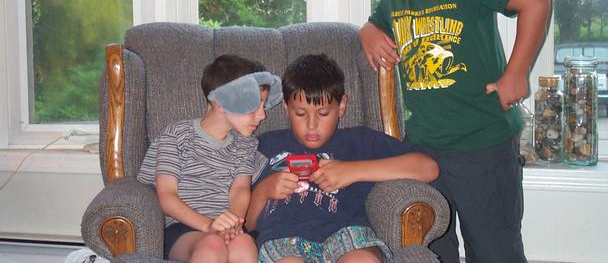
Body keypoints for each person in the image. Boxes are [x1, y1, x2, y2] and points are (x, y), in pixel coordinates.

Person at [357, 0, 552, 263]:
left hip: (483, 144)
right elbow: (375, 23)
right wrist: (367, 32)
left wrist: (516, 73)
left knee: (494, 251)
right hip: (425, 149)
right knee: (434, 250)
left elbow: (536, 2)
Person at [246, 53, 439, 263]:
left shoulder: (358, 141)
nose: (311, 125)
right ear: (286, 108)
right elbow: (248, 224)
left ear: (341, 106)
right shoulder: (266, 145)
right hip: (283, 238)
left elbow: (428, 168)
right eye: (300, 114)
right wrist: (264, 190)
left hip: (347, 235)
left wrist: (352, 171)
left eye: (323, 113)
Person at [137, 54, 283, 263]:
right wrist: (208, 225)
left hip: (226, 227)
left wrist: (233, 225)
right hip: (185, 228)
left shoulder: (246, 144)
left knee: (243, 243)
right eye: (254, 106)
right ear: (221, 103)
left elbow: (240, 189)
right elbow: (167, 196)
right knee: (213, 244)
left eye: (263, 106)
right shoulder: (177, 135)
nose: (262, 116)